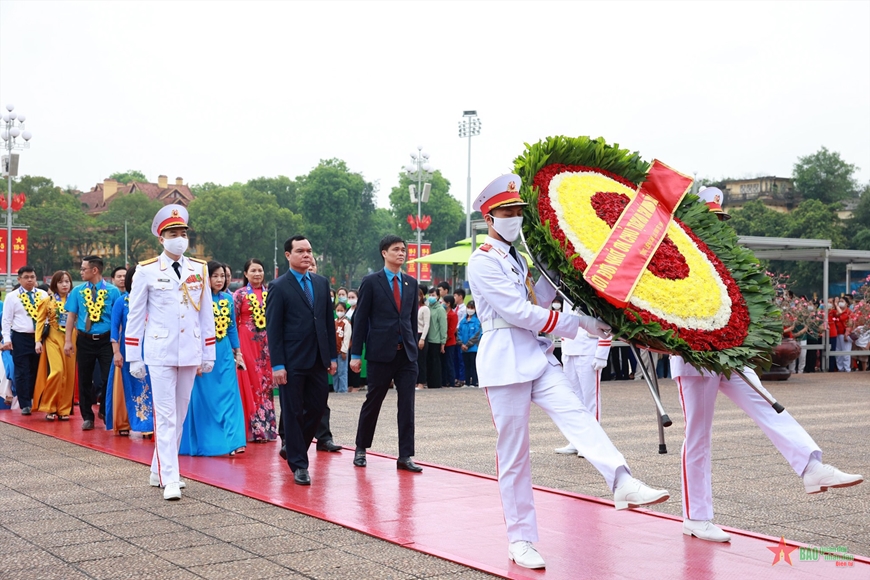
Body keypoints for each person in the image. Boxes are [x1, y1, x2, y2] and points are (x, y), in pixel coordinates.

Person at [467, 174, 668, 569]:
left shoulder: (516, 257)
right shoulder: (482, 262)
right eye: (507, 212)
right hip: (505, 359)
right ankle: (520, 539)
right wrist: (580, 324)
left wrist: (566, 280)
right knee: (514, 455)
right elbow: (520, 313)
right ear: (489, 219)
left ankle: (621, 480)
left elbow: (537, 299)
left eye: (518, 212)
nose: (515, 218)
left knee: (578, 416)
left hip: (538, 356)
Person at [675, 188, 863, 543]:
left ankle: (811, 466)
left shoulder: (727, 257)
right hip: (695, 357)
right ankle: (695, 517)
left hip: (731, 354)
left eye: (720, 219)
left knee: (768, 404)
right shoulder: (679, 253)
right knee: (698, 437)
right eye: (710, 218)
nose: (716, 224)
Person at [125, 204, 216, 500]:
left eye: (183, 233)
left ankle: (158, 468)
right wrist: (134, 356)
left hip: (189, 349)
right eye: (173, 233)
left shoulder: (198, 268)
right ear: (161, 238)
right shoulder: (147, 270)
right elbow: (136, 315)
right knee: (164, 415)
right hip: (160, 350)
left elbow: (205, 314)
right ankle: (171, 478)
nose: (179, 238)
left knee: (179, 413)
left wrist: (208, 351)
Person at [265, 235, 337, 486]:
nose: (306, 255)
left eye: (309, 250)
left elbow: (327, 321)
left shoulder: (320, 283)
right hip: (292, 361)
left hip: (318, 359)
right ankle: (299, 464)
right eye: (300, 251)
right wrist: (277, 365)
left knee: (317, 409)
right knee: (293, 411)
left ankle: (294, 447)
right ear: (288, 255)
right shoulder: (279, 286)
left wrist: (332, 356)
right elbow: (273, 330)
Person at [350, 235, 421, 472]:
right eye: (396, 250)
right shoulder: (371, 282)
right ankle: (361, 448)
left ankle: (405, 456)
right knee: (373, 401)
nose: (401, 253)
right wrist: (356, 354)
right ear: (384, 253)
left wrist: (413, 346)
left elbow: (411, 320)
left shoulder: (411, 283)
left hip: (406, 356)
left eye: (403, 250)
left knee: (407, 406)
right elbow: (360, 320)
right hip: (380, 353)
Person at [179, 261, 246, 456]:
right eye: (214, 276)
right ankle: (207, 442)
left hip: (224, 351)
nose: (219, 279)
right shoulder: (196, 300)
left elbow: (232, 327)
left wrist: (238, 352)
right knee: (205, 398)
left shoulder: (228, 298)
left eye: (222, 276)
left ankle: (234, 441)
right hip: (202, 351)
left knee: (230, 395)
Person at [63, 257, 122, 429]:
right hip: (85, 339)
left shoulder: (113, 292)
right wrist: (68, 341)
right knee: (84, 379)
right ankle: (87, 416)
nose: (81, 272)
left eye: (83, 269)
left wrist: (116, 342)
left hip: (106, 340)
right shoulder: (78, 291)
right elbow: (71, 317)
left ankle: (104, 408)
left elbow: (117, 320)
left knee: (107, 378)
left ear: (94, 270)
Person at [105, 266, 154, 436]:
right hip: (128, 348)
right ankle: (126, 422)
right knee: (128, 385)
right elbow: (114, 329)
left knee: (148, 385)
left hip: (149, 347)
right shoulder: (122, 301)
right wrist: (116, 352)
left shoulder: (152, 301)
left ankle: (147, 423)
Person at [233, 258, 277, 442]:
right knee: (250, 382)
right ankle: (252, 429)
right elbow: (232, 322)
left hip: (266, 344)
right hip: (246, 342)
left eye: (260, 270)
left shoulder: (271, 292)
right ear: (245, 274)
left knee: (265, 383)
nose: (257, 274)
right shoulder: (240, 295)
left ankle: (266, 428)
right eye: (253, 271)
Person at [554, 323, 611, 455]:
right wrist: (564, 347)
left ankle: (592, 442)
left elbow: (606, 322)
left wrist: (602, 352)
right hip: (570, 349)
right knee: (573, 399)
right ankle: (576, 440)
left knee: (590, 399)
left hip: (589, 349)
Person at [2, 266, 49, 415]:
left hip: (39, 337)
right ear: (19, 279)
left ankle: (36, 399)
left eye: (32, 277)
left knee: (37, 369)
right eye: (26, 277)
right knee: (22, 371)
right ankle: (25, 404)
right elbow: (6, 320)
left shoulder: (43, 295)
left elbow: (48, 316)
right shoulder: (12, 296)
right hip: (20, 337)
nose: (30, 280)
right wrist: (7, 339)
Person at [33, 271, 76, 421]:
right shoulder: (47, 301)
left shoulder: (75, 299)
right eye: (61, 282)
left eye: (67, 281)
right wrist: (38, 340)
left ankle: (64, 409)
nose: (64, 284)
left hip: (72, 339)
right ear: (54, 284)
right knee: (57, 371)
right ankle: (49, 406)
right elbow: (40, 321)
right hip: (52, 338)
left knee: (69, 375)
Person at [425, 287, 446, 389]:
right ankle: (429, 382)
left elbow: (443, 326)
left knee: (435, 362)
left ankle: (436, 383)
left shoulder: (440, 309)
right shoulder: (427, 308)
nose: (431, 297)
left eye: (433, 295)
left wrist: (443, 342)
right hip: (427, 339)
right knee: (429, 362)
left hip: (436, 340)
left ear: (438, 296)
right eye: (430, 295)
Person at [457, 300, 481, 387]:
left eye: (472, 308)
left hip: (473, 348)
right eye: (469, 308)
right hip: (463, 348)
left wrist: (468, 344)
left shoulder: (477, 321)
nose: (470, 310)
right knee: (466, 365)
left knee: (473, 365)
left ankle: (474, 382)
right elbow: (459, 333)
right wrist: (461, 343)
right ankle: (467, 382)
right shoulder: (463, 321)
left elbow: (477, 334)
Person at [333, 301, 351, 393]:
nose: (339, 312)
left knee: (342, 372)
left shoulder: (346, 323)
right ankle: (336, 389)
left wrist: (344, 350)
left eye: (341, 310)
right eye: (338, 310)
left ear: (345, 311)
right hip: (334, 351)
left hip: (341, 351)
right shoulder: (334, 322)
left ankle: (343, 390)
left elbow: (347, 338)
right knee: (335, 372)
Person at [441, 294, 458, 387]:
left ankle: (451, 382)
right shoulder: (443, 312)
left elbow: (451, 330)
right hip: (444, 341)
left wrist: (444, 340)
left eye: (444, 302)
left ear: (448, 304)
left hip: (450, 342)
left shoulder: (453, 314)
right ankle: (444, 381)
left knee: (449, 363)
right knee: (444, 363)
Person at [415, 287, 430, 390]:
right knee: (413, 360)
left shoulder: (425, 309)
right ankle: (415, 381)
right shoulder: (412, 308)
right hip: (412, 335)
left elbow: (426, 324)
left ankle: (421, 382)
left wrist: (422, 338)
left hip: (421, 335)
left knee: (421, 360)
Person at [452, 288, 467, 384]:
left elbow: (461, 322)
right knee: (455, 358)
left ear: (460, 296)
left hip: (460, 333)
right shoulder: (455, 308)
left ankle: (462, 378)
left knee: (461, 358)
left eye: (455, 296)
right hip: (454, 334)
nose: (454, 298)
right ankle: (456, 377)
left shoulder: (464, 309)